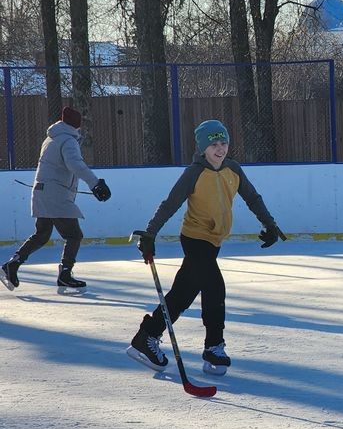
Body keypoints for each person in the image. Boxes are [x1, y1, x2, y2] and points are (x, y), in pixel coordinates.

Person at [126, 119, 285, 376]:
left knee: (181, 295)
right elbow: (170, 204)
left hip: (214, 243)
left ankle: (146, 337)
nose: (220, 149)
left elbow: (253, 197)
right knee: (214, 286)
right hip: (194, 239)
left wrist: (270, 224)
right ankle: (214, 347)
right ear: (202, 148)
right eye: (214, 145)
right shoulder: (194, 173)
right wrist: (150, 233)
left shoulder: (233, 169)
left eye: (224, 143)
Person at [1, 106, 111, 294]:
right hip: (56, 195)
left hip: (42, 192)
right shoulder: (68, 141)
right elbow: (75, 164)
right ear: (76, 125)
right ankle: (65, 274)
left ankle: (13, 263)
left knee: (42, 234)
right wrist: (95, 184)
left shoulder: (51, 138)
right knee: (74, 235)